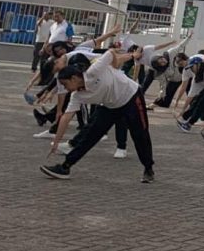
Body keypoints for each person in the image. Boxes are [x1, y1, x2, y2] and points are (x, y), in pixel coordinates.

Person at [39, 49, 155, 183]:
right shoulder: (77, 96)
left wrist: (115, 67)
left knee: (140, 134)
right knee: (89, 136)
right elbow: (66, 117)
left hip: (132, 97)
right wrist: (56, 143)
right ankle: (65, 167)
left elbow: (110, 52)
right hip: (110, 106)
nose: (66, 89)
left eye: (66, 84)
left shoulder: (93, 71)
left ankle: (148, 168)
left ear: (74, 78)